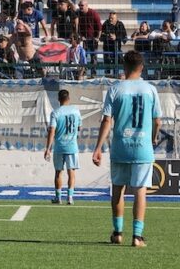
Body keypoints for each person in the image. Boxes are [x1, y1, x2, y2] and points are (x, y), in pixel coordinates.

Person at [93, 50, 162, 248]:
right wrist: (153, 137)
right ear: (141, 67)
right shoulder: (150, 89)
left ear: (124, 67)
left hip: (120, 146)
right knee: (140, 190)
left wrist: (98, 147)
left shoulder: (115, 89)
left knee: (118, 189)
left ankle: (118, 233)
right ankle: (137, 237)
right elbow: (157, 120)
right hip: (142, 147)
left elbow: (107, 120)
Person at [43, 90, 81, 205]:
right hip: (72, 146)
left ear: (59, 99)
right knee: (71, 173)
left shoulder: (55, 113)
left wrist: (48, 148)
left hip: (59, 147)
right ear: (68, 99)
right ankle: (70, 197)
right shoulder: (76, 111)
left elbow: (52, 131)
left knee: (58, 172)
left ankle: (58, 197)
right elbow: (79, 128)